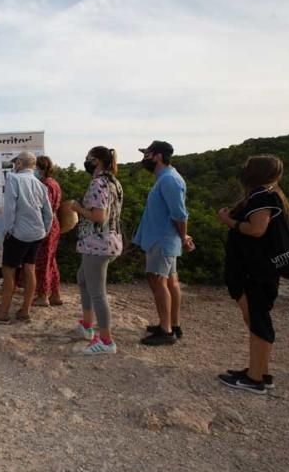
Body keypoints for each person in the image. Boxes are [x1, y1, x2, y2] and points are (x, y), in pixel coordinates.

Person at [216, 156, 289, 394]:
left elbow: (257, 229)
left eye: (247, 167)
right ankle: (259, 371)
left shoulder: (263, 197)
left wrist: (229, 221)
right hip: (257, 270)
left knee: (258, 321)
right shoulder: (268, 195)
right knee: (255, 320)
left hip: (256, 272)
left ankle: (255, 378)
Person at [134, 141, 195, 346]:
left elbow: (179, 214)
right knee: (170, 281)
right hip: (164, 238)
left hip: (162, 239)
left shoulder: (169, 180)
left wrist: (184, 237)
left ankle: (166, 330)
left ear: (158, 156)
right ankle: (172, 324)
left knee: (157, 280)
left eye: (147, 154)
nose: (144, 158)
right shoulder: (166, 178)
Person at [0, 152, 53, 324]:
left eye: (16, 162)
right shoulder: (41, 185)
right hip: (37, 233)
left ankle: (3, 313)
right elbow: (48, 213)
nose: (15, 164)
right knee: (29, 269)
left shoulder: (13, 179)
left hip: (18, 233)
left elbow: (9, 208)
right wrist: (45, 230)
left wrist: (8, 230)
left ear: (21, 163)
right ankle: (25, 310)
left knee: (9, 272)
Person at [69, 147, 124, 354]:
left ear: (98, 161)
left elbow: (99, 217)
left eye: (89, 158)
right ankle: (87, 325)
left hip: (97, 244)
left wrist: (77, 208)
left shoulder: (98, 183)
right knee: (83, 278)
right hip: (107, 241)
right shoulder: (114, 183)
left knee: (98, 293)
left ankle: (106, 341)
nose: (86, 161)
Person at [32, 156, 63, 307]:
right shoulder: (54, 183)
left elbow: (46, 209)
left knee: (43, 261)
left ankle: (43, 295)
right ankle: (55, 294)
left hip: (46, 225)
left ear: (41, 168)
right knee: (51, 260)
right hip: (54, 224)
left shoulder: (45, 185)